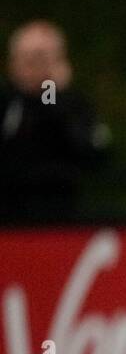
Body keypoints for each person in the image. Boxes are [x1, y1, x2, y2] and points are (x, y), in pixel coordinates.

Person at [0, 20, 109, 222]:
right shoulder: (7, 103)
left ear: (59, 62)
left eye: (39, 58)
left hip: (58, 218)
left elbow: (91, 153)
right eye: (24, 57)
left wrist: (50, 90)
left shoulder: (73, 105)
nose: (30, 65)